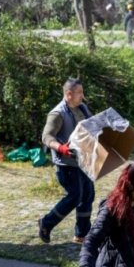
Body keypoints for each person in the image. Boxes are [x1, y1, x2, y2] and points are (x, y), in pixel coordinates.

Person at [36, 78, 95, 244]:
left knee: (88, 195)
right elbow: (46, 137)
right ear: (68, 94)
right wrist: (60, 148)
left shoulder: (82, 108)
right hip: (67, 164)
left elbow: (91, 125)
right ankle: (46, 223)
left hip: (84, 161)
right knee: (76, 196)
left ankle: (82, 234)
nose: (82, 96)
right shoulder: (57, 114)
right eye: (79, 93)